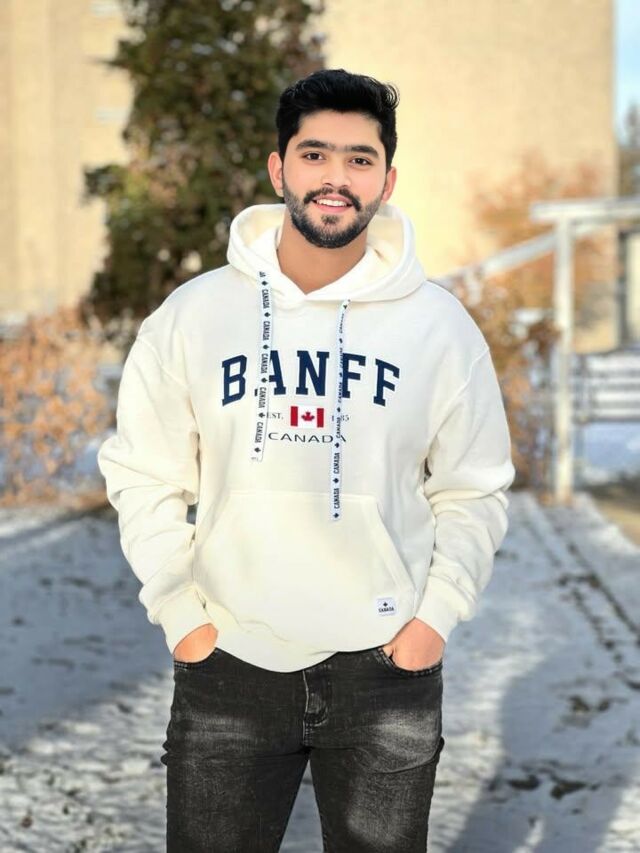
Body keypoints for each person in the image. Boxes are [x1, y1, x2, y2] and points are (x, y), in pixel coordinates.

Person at [97, 68, 516, 852]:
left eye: (360, 159)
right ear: (278, 168)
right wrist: (183, 616)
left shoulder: (439, 327)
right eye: (315, 153)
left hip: (385, 669)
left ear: (387, 180)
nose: (336, 177)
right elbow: (144, 473)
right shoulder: (194, 316)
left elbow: (475, 486)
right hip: (229, 660)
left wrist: (433, 619)